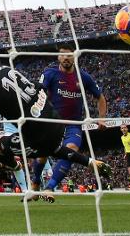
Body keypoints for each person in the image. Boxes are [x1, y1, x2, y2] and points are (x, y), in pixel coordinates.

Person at [0, 38, 111, 197]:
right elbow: (37, 87)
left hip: (39, 136)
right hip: (55, 123)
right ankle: (90, 162)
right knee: (52, 148)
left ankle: (14, 166)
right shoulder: (6, 69)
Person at [32, 43, 108, 198]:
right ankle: (35, 184)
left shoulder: (84, 77)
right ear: (58, 57)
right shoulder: (50, 74)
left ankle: (50, 188)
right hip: (53, 124)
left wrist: (101, 118)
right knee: (42, 155)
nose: (66, 57)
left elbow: (100, 97)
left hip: (74, 124)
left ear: (74, 55)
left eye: (69, 54)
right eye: (62, 54)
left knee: (71, 150)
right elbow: (39, 92)